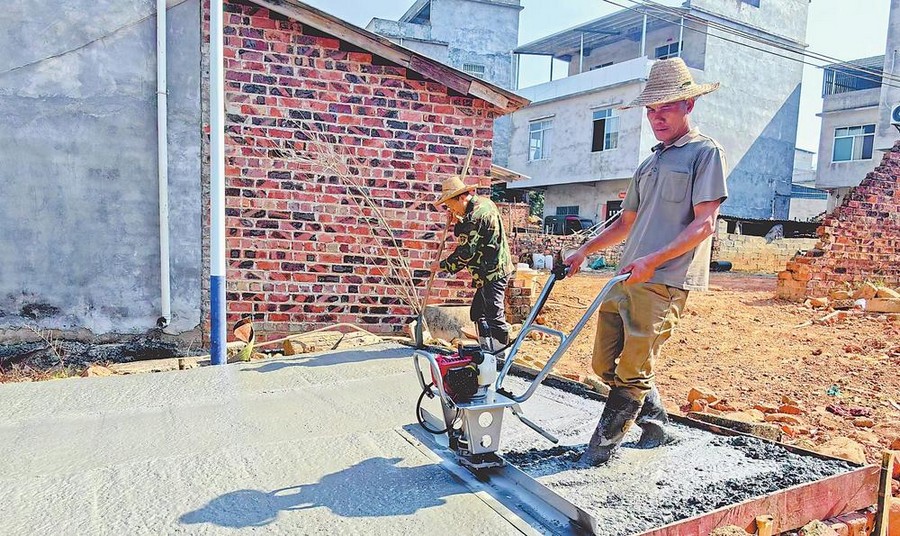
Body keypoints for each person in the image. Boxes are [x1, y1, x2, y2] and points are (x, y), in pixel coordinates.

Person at [564, 58, 729, 465]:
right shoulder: (650, 162)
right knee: (605, 363)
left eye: (666, 107)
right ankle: (656, 424)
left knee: (633, 368)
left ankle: (597, 454)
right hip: (625, 277)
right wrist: (585, 250)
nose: (657, 117)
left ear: (688, 104)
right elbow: (627, 221)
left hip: (663, 281)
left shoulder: (704, 154)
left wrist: (654, 260)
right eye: (651, 110)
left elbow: (705, 223)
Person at [432, 175, 513, 352]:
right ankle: (486, 348)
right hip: (489, 270)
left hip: (493, 271)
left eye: (450, 204)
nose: (450, 209)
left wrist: (443, 266)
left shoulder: (474, 217)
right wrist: (457, 219)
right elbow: (474, 232)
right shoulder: (484, 203)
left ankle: (501, 354)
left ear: (462, 197)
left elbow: (466, 253)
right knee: (478, 313)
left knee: (493, 314)